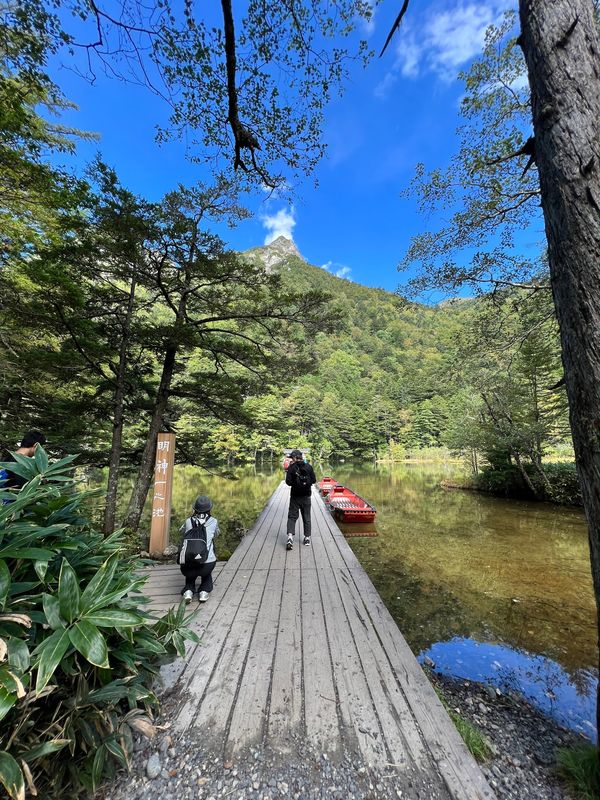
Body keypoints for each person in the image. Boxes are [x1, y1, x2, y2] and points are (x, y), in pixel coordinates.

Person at [178, 495, 219, 603]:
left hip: (187, 565)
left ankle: (188, 591)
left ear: (195, 509)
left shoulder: (188, 521)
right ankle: (204, 592)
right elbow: (216, 534)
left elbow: (182, 532)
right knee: (207, 568)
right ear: (209, 509)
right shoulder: (213, 521)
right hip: (206, 565)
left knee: (191, 568)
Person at [285, 449, 316, 550]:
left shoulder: (291, 467)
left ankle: (290, 538)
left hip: (295, 497)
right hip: (306, 497)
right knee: (306, 517)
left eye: (292, 457)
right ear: (301, 457)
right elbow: (314, 480)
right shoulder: (309, 467)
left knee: (292, 517)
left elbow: (288, 482)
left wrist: (295, 483)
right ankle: (307, 538)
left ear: (294, 457)